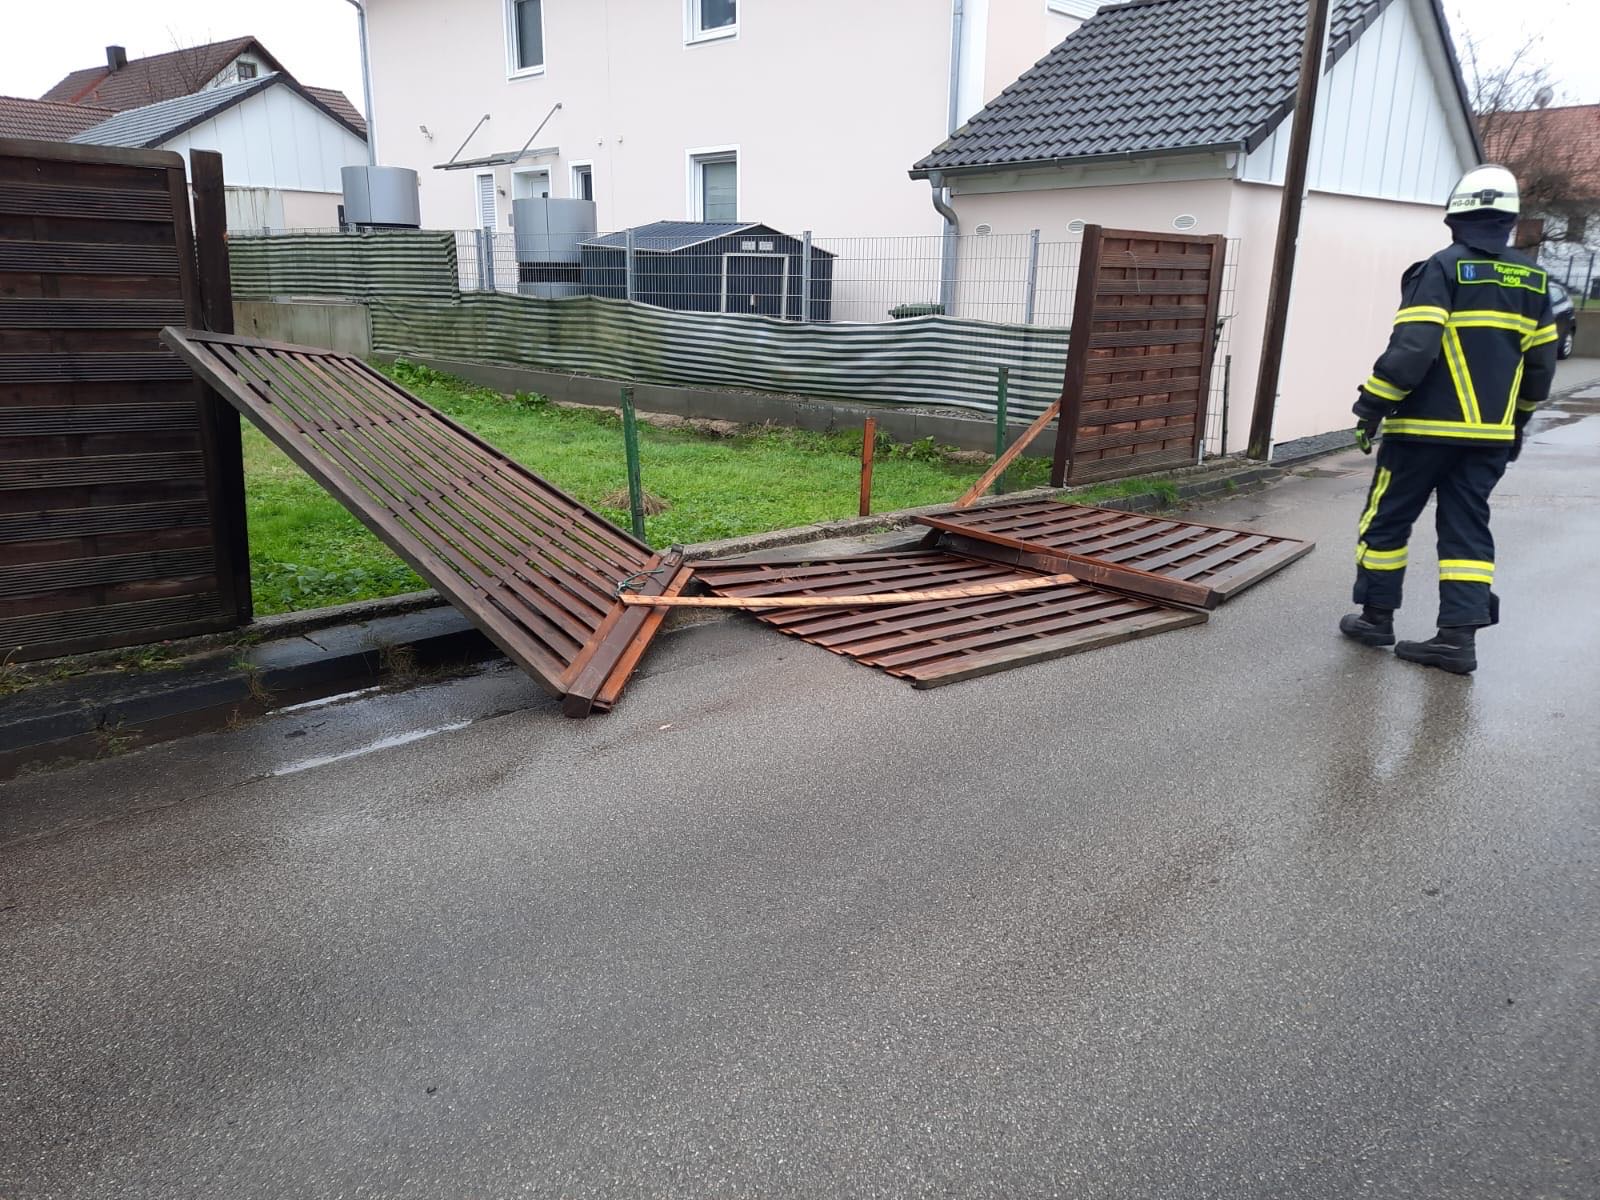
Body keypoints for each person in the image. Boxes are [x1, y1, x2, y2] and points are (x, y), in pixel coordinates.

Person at [1338, 164, 1559, 675]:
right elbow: (1541, 368)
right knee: (1467, 532)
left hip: (1421, 432)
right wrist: (1517, 423)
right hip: (1489, 438)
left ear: (1454, 218)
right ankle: (1457, 641)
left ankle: (1376, 619)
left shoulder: (1441, 268)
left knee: (1387, 519)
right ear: (1510, 221)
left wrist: (1371, 405)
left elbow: (1414, 349)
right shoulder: (1534, 280)